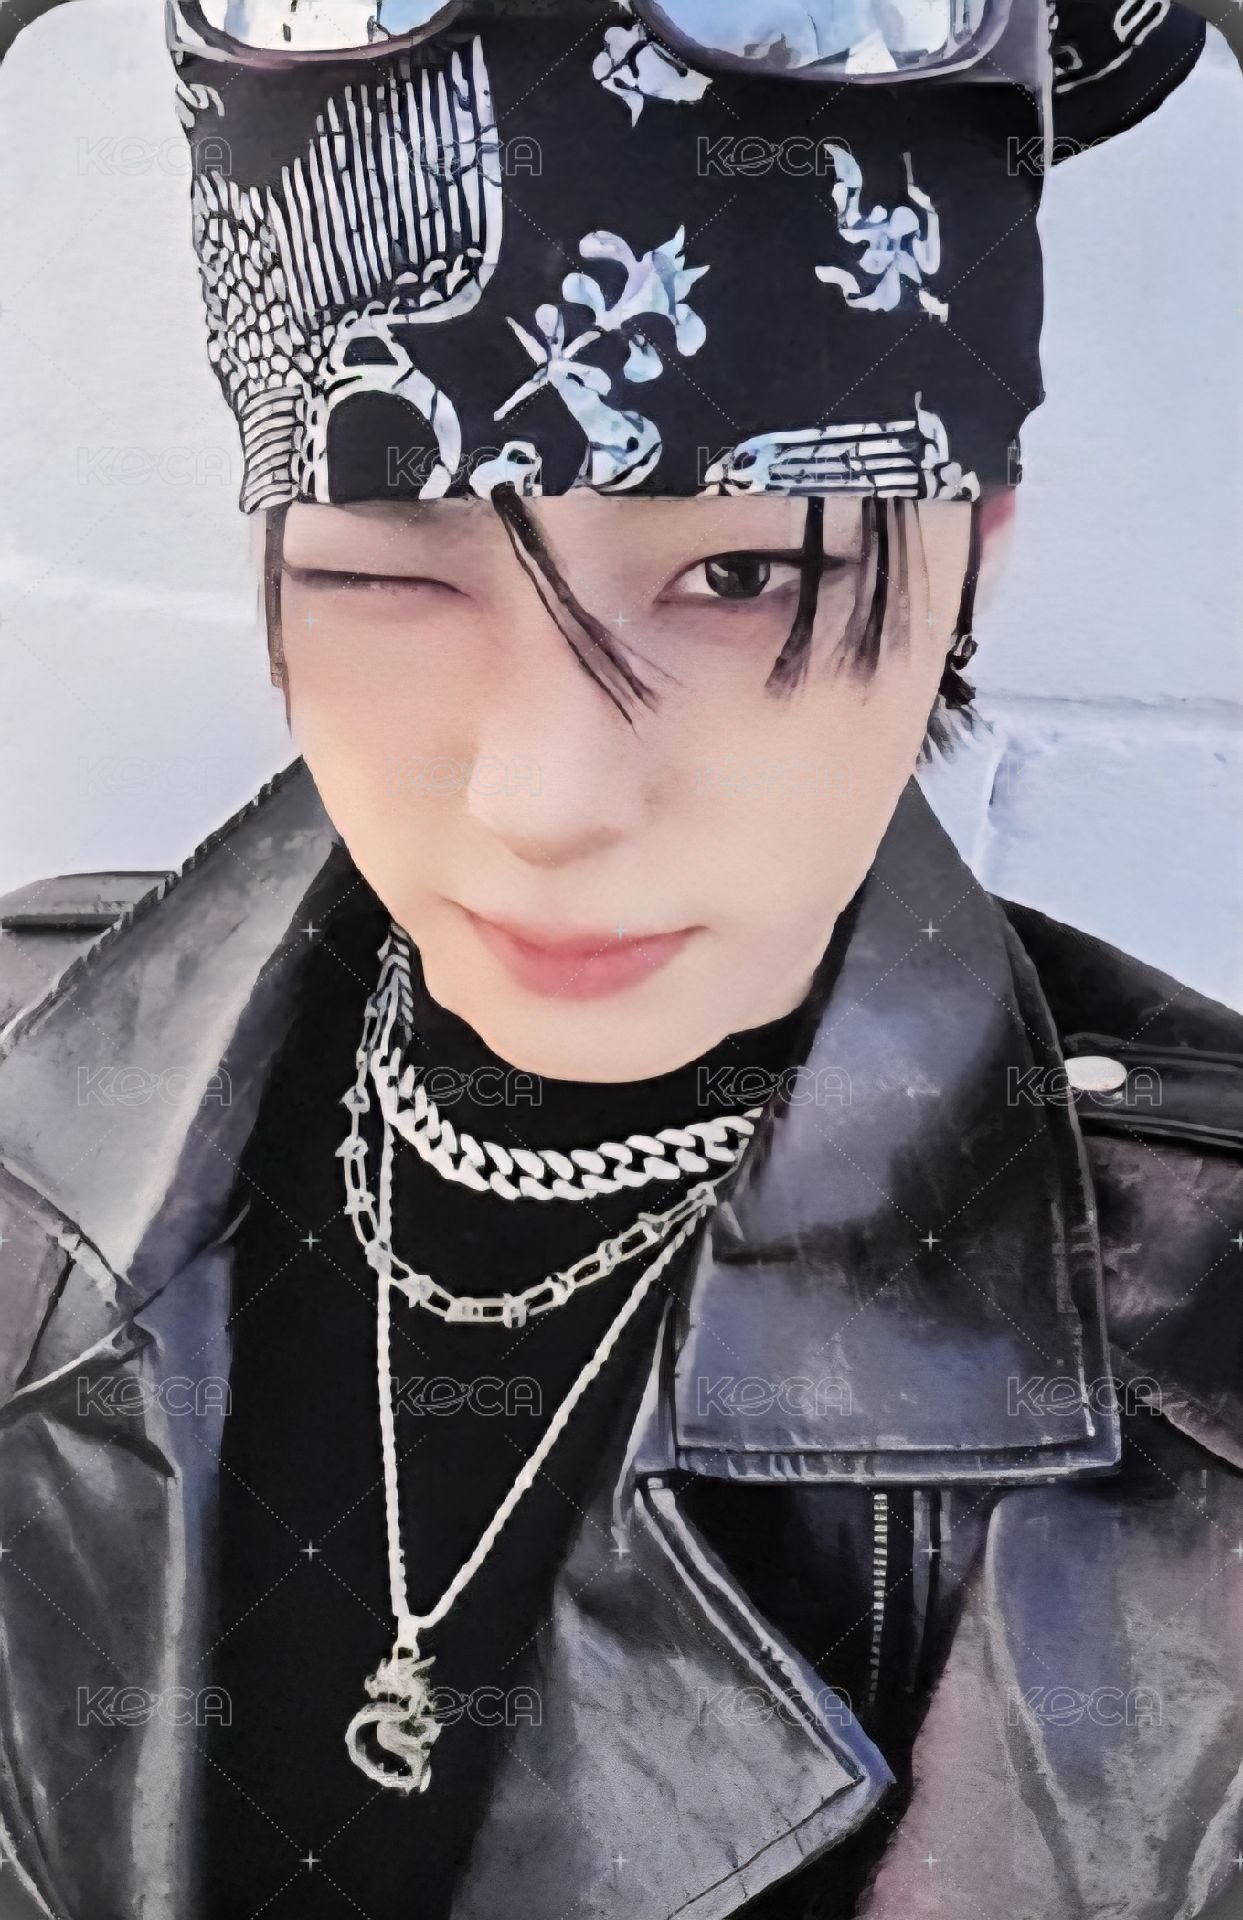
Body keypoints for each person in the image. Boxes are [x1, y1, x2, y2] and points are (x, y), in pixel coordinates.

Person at [0, 4, 1239, 1918]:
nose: (545, 796)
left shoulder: (1198, 1364)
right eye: (388, 576)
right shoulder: (31, 1078)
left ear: (972, 556)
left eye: (740, 578)